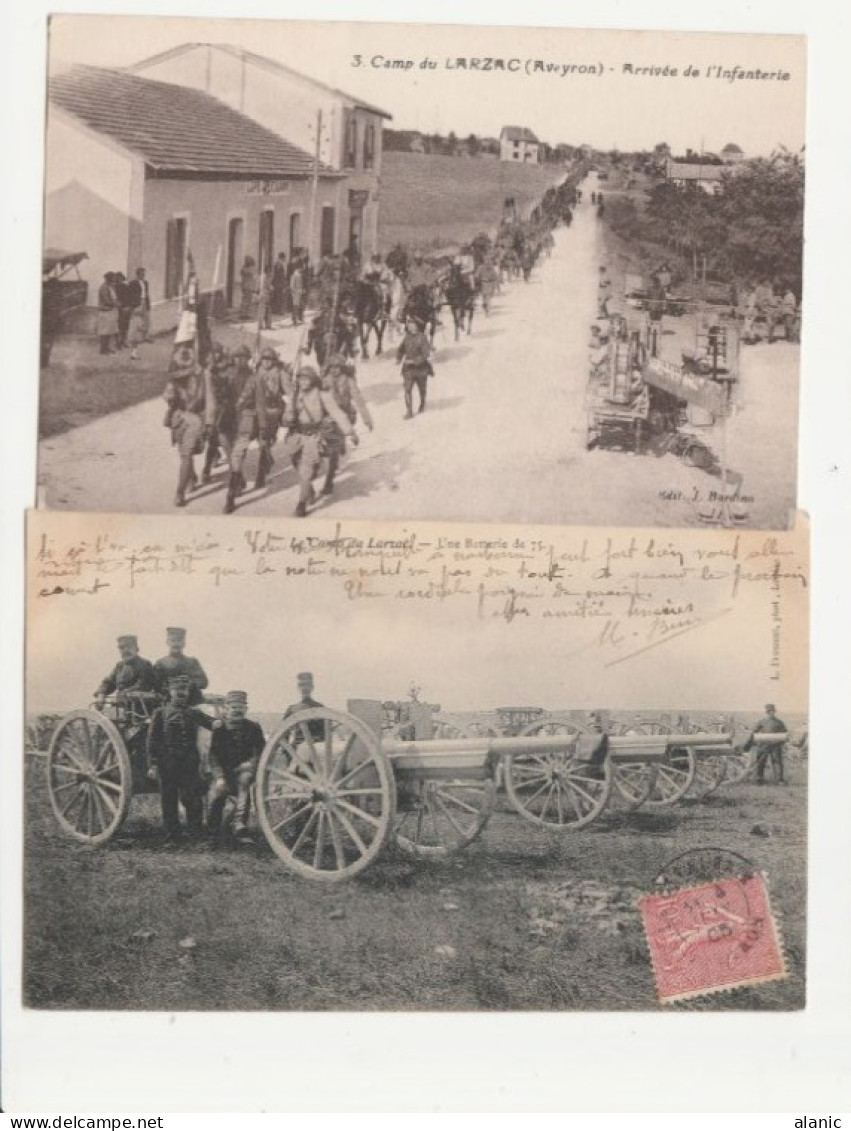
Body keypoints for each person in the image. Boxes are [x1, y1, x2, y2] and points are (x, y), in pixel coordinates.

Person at [146, 675, 213, 845]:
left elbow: (214, 724)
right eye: (177, 690)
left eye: (184, 690)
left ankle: (195, 835)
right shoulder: (160, 713)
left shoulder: (194, 713)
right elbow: (152, 740)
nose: (181, 693)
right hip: (167, 763)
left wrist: (225, 722)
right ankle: (172, 837)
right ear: (170, 691)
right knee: (169, 799)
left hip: (189, 763)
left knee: (193, 798)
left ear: (188, 692)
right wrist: (153, 765)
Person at [283, 365, 358, 517]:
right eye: (300, 379)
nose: (302, 382)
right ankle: (308, 488)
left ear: (313, 380)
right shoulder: (295, 395)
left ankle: (301, 504)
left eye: (306, 379)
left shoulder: (322, 395)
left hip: (314, 436)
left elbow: (337, 414)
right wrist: (288, 418)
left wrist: (350, 432)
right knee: (296, 463)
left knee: (306, 469)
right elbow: (286, 416)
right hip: (297, 435)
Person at [207, 690, 266, 844]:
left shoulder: (253, 728)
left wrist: (251, 764)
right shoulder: (219, 728)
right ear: (226, 708)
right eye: (234, 707)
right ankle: (213, 831)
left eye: (241, 707)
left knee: (245, 781)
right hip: (224, 772)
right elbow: (213, 755)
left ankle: (239, 825)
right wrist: (219, 777)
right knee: (218, 795)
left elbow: (262, 752)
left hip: (244, 770)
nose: (237, 710)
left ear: (246, 709)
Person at [320, 353, 374, 496]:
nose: (334, 370)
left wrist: (367, 419)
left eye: (338, 367)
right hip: (329, 418)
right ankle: (341, 442)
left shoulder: (349, 381)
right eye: (332, 367)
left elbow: (358, 400)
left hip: (346, 416)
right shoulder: (324, 381)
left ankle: (329, 482)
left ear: (342, 368)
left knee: (333, 452)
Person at [163, 344, 207, 507]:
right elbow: (167, 396)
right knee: (183, 454)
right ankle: (192, 476)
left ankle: (179, 492)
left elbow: (205, 397)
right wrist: (172, 395)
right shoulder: (174, 378)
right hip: (179, 418)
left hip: (194, 419)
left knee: (187, 454)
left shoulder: (201, 375)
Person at [223, 347, 267, 514]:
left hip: (246, 420)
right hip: (228, 421)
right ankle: (238, 482)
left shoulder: (255, 379)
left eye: (243, 357)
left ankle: (230, 496)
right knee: (231, 454)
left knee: (236, 456)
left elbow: (260, 406)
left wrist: (262, 427)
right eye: (237, 357)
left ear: (248, 359)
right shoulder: (228, 376)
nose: (239, 361)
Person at [153, 626, 209, 705]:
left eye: (179, 641)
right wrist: (172, 686)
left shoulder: (192, 662)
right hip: (169, 704)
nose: (176, 644)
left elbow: (204, 682)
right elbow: (156, 685)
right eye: (173, 641)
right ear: (167, 642)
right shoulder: (161, 663)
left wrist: (189, 683)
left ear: (184, 643)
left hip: (193, 703)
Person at [94, 634, 158, 702]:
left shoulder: (144, 664)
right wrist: (101, 693)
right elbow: (109, 682)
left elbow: (143, 685)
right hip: (124, 707)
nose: (125, 650)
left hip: (142, 708)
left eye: (129, 647)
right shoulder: (119, 666)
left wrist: (125, 692)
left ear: (136, 649)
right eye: (122, 648)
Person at [396, 318, 433, 419]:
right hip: (408, 369)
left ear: (417, 326)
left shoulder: (423, 337)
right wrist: (398, 358)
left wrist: (415, 361)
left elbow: (426, 354)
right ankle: (409, 411)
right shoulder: (406, 337)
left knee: (422, 389)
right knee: (407, 389)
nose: (410, 326)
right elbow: (401, 349)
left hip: (421, 369)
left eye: (413, 324)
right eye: (409, 324)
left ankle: (422, 403)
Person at [744, 703, 788, 784]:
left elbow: (784, 734)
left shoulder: (779, 722)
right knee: (761, 762)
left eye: (772, 711)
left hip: (775, 745)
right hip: (763, 745)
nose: (771, 713)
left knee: (777, 762)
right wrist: (748, 743)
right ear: (766, 712)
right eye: (769, 711)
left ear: (774, 712)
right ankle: (759, 779)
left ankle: (779, 780)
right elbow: (754, 732)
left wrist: (781, 742)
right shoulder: (762, 721)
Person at [283, 671, 326, 741]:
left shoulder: (320, 708)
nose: (304, 688)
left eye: (307, 684)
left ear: (312, 687)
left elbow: (325, 735)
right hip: (297, 749)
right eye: (301, 685)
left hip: (317, 747)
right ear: (298, 687)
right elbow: (283, 735)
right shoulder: (292, 709)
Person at [126, 267, 152, 360]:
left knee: (145, 323)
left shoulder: (145, 283)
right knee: (135, 326)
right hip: (137, 304)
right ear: (138, 274)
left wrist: (147, 304)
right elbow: (129, 295)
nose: (143, 275)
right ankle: (133, 351)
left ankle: (143, 337)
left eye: (144, 274)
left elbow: (146, 294)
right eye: (142, 274)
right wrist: (132, 305)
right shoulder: (133, 283)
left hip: (144, 303)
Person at [96, 272, 119, 355]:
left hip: (111, 311)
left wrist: (116, 303)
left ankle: (107, 348)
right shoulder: (103, 288)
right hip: (105, 312)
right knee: (104, 332)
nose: (113, 279)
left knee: (109, 331)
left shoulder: (111, 287)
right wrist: (115, 304)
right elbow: (106, 300)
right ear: (107, 278)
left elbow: (114, 298)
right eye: (111, 278)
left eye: (113, 278)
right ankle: (103, 350)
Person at [239, 256, 258, 320]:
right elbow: (253, 276)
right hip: (247, 286)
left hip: (246, 286)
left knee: (247, 300)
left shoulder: (244, 268)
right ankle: (243, 314)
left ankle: (245, 314)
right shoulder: (247, 269)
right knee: (246, 301)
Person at [289, 261, 306, 325]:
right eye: (301, 268)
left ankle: (297, 319)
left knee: (299, 306)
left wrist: (302, 290)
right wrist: (296, 291)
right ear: (298, 267)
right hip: (295, 293)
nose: (302, 269)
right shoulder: (294, 275)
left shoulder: (299, 274)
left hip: (299, 293)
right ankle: (294, 320)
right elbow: (292, 286)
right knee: (295, 307)